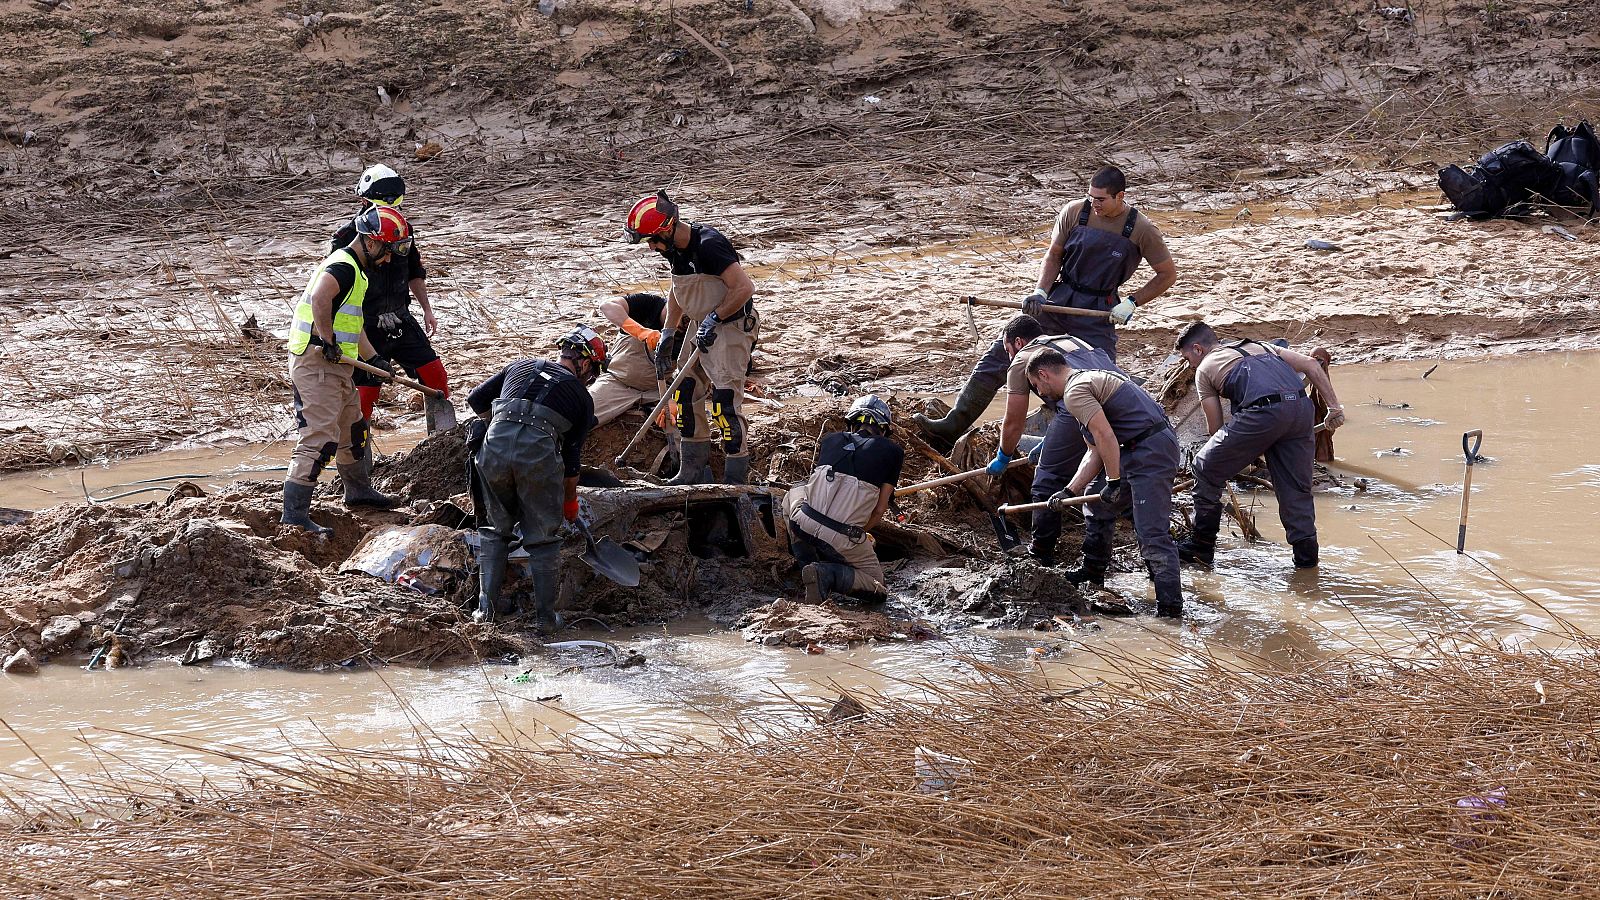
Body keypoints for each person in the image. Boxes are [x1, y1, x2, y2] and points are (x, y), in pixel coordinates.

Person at [916, 166, 1177, 443]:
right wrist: (1040, 292)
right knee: (1001, 354)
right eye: (1090, 197)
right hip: (1057, 300)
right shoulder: (1076, 212)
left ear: (1120, 196)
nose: (1094, 204)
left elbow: (1167, 274)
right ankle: (953, 424)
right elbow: (1053, 255)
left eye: (1100, 199)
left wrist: (1132, 302)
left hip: (1099, 312)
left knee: (1098, 379)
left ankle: (1097, 442)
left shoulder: (1141, 229)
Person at [1172, 322, 1346, 569]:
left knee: (1203, 466)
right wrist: (1334, 408)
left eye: (1187, 357)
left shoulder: (1204, 371)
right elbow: (1310, 364)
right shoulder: (1260, 346)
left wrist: (1249, 446)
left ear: (1198, 349)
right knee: (1296, 489)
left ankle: (1201, 547)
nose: (1189, 364)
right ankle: (1307, 563)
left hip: (1263, 412)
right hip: (1299, 407)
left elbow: (1215, 430)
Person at [1026, 349, 1183, 618]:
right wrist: (1069, 491)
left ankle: (1170, 610)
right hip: (1135, 448)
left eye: (1037, 386)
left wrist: (1114, 481)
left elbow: (1106, 436)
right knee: (1096, 502)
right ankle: (1093, 572)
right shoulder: (1081, 389)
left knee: (1152, 533)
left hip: (1150, 450)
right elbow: (1094, 450)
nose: (1040, 392)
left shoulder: (1076, 391)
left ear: (1043, 375)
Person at [282, 206, 409, 535]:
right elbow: (320, 299)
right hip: (316, 363)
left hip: (336, 366)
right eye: (387, 252)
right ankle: (294, 517)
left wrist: (374, 359)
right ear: (370, 242)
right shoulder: (343, 265)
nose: (388, 260)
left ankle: (357, 491)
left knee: (353, 430)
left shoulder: (357, 271)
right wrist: (326, 340)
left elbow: (352, 324)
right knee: (318, 440)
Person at [465, 329, 605, 626]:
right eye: (592, 371)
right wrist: (570, 503)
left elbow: (476, 399)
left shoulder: (520, 364)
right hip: (538, 454)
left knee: (493, 530)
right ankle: (545, 618)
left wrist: (502, 426)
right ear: (585, 364)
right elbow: (571, 463)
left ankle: (484, 613)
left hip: (494, 449)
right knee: (542, 539)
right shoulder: (582, 398)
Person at [625, 190, 759, 484]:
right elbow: (678, 290)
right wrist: (669, 333)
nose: (651, 248)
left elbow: (744, 288)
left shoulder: (710, 246)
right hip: (701, 324)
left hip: (731, 325)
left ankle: (735, 476)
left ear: (667, 229)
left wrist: (715, 318)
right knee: (684, 391)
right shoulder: (674, 250)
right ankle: (692, 469)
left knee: (724, 402)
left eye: (652, 241)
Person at [980, 314, 1124, 565]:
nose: (1009, 357)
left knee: (1047, 480)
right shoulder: (1073, 340)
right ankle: (1097, 560)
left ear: (1017, 342)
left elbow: (1013, 421)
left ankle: (1040, 551)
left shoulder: (1024, 359)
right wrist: (1049, 441)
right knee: (1105, 482)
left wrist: (1004, 455)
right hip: (1124, 400)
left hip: (1081, 402)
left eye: (1007, 350)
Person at [332, 164, 454, 433]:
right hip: (365, 326)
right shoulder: (346, 238)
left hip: (400, 318)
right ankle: (356, 457)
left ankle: (443, 442)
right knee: (363, 397)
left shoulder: (403, 229)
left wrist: (427, 309)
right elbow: (332, 291)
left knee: (436, 378)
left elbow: (414, 271)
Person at [782, 395, 905, 605]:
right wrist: (861, 534)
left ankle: (806, 561)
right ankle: (825, 574)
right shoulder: (893, 451)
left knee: (793, 493)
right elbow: (879, 509)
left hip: (802, 520)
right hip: (842, 537)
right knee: (877, 586)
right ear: (884, 429)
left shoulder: (830, 439)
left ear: (851, 422)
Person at [589, 292, 668, 427]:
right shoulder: (649, 304)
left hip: (660, 390)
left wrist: (673, 400)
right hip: (617, 382)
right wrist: (640, 332)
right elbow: (607, 306)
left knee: (684, 424)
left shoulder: (694, 326)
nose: (681, 325)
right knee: (580, 416)